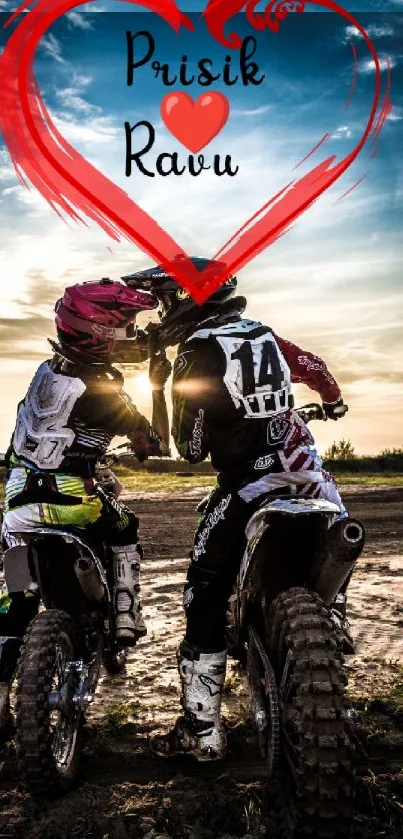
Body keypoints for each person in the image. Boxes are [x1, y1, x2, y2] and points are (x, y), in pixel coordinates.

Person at [124, 257, 354, 763]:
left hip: (249, 485)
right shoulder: (264, 334)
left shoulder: (197, 351)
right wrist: (332, 401)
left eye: (166, 299)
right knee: (337, 553)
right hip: (312, 476)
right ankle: (335, 627)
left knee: (203, 591)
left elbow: (190, 447)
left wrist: (165, 388)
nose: (163, 312)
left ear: (188, 299)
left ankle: (202, 733)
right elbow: (312, 367)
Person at [0, 278, 163, 735]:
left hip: (18, 499)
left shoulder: (46, 374)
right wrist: (145, 431)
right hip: (72, 498)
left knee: (17, 594)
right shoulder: (103, 391)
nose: (130, 334)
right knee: (124, 525)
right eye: (125, 326)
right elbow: (147, 440)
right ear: (99, 331)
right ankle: (127, 614)